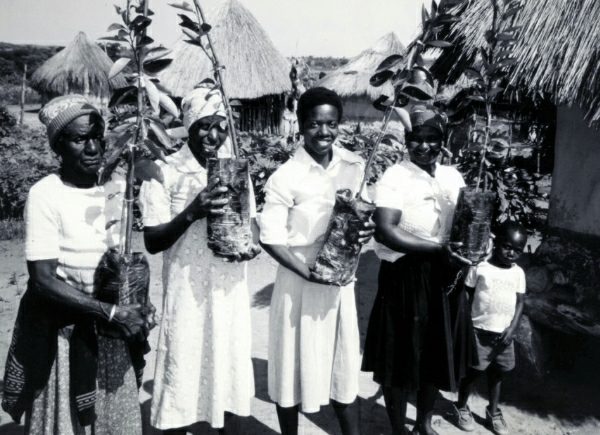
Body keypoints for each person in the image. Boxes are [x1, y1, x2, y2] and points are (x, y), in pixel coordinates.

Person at [2, 94, 150, 435]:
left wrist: (139, 302)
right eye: (80, 139)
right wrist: (109, 312)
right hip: (65, 333)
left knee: (113, 421)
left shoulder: (117, 189)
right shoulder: (45, 194)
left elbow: (121, 262)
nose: (93, 148)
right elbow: (42, 279)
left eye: (97, 136)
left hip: (110, 331)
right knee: (68, 422)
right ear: (58, 146)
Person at [139, 84, 261, 434]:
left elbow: (250, 227)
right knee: (184, 366)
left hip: (229, 288)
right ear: (189, 124)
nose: (214, 134)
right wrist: (193, 212)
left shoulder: (235, 170)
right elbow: (152, 240)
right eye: (205, 124)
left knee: (228, 367)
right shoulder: (165, 170)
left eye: (221, 125)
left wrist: (251, 246)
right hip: (187, 291)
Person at [258, 87, 375, 435]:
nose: (323, 132)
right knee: (291, 365)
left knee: (341, 364)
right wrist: (306, 271)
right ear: (300, 124)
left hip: (340, 280)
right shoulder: (286, 176)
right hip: (298, 279)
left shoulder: (354, 166)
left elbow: (364, 211)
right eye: (314, 124)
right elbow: (271, 237)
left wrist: (364, 230)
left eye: (331, 124)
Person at [361, 104, 474, 435]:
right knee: (402, 355)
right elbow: (385, 230)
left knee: (436, 354)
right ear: (406, 140)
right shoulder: (395, 176)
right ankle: (399, 429)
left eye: (431, 138)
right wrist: (439, 248)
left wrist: (478, 241)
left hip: (446, 275)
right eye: (415, 138)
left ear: (443, 139)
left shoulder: (452, 177)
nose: (423, 146)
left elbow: (467, 222)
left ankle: (423, 423)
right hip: (406, 274)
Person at [454, 221, 527, 435]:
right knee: (473, 372)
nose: (511, 253)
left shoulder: (518, 273)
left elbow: (520, 302)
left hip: (504, 336)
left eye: (517, 250)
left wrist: (512, 329)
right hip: (479, 331)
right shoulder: (480, 267)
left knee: (497, 374)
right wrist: (466, 324)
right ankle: (461, 406)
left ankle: (493, 412)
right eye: (507, 246)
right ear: (495, 243)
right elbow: (467, 294)